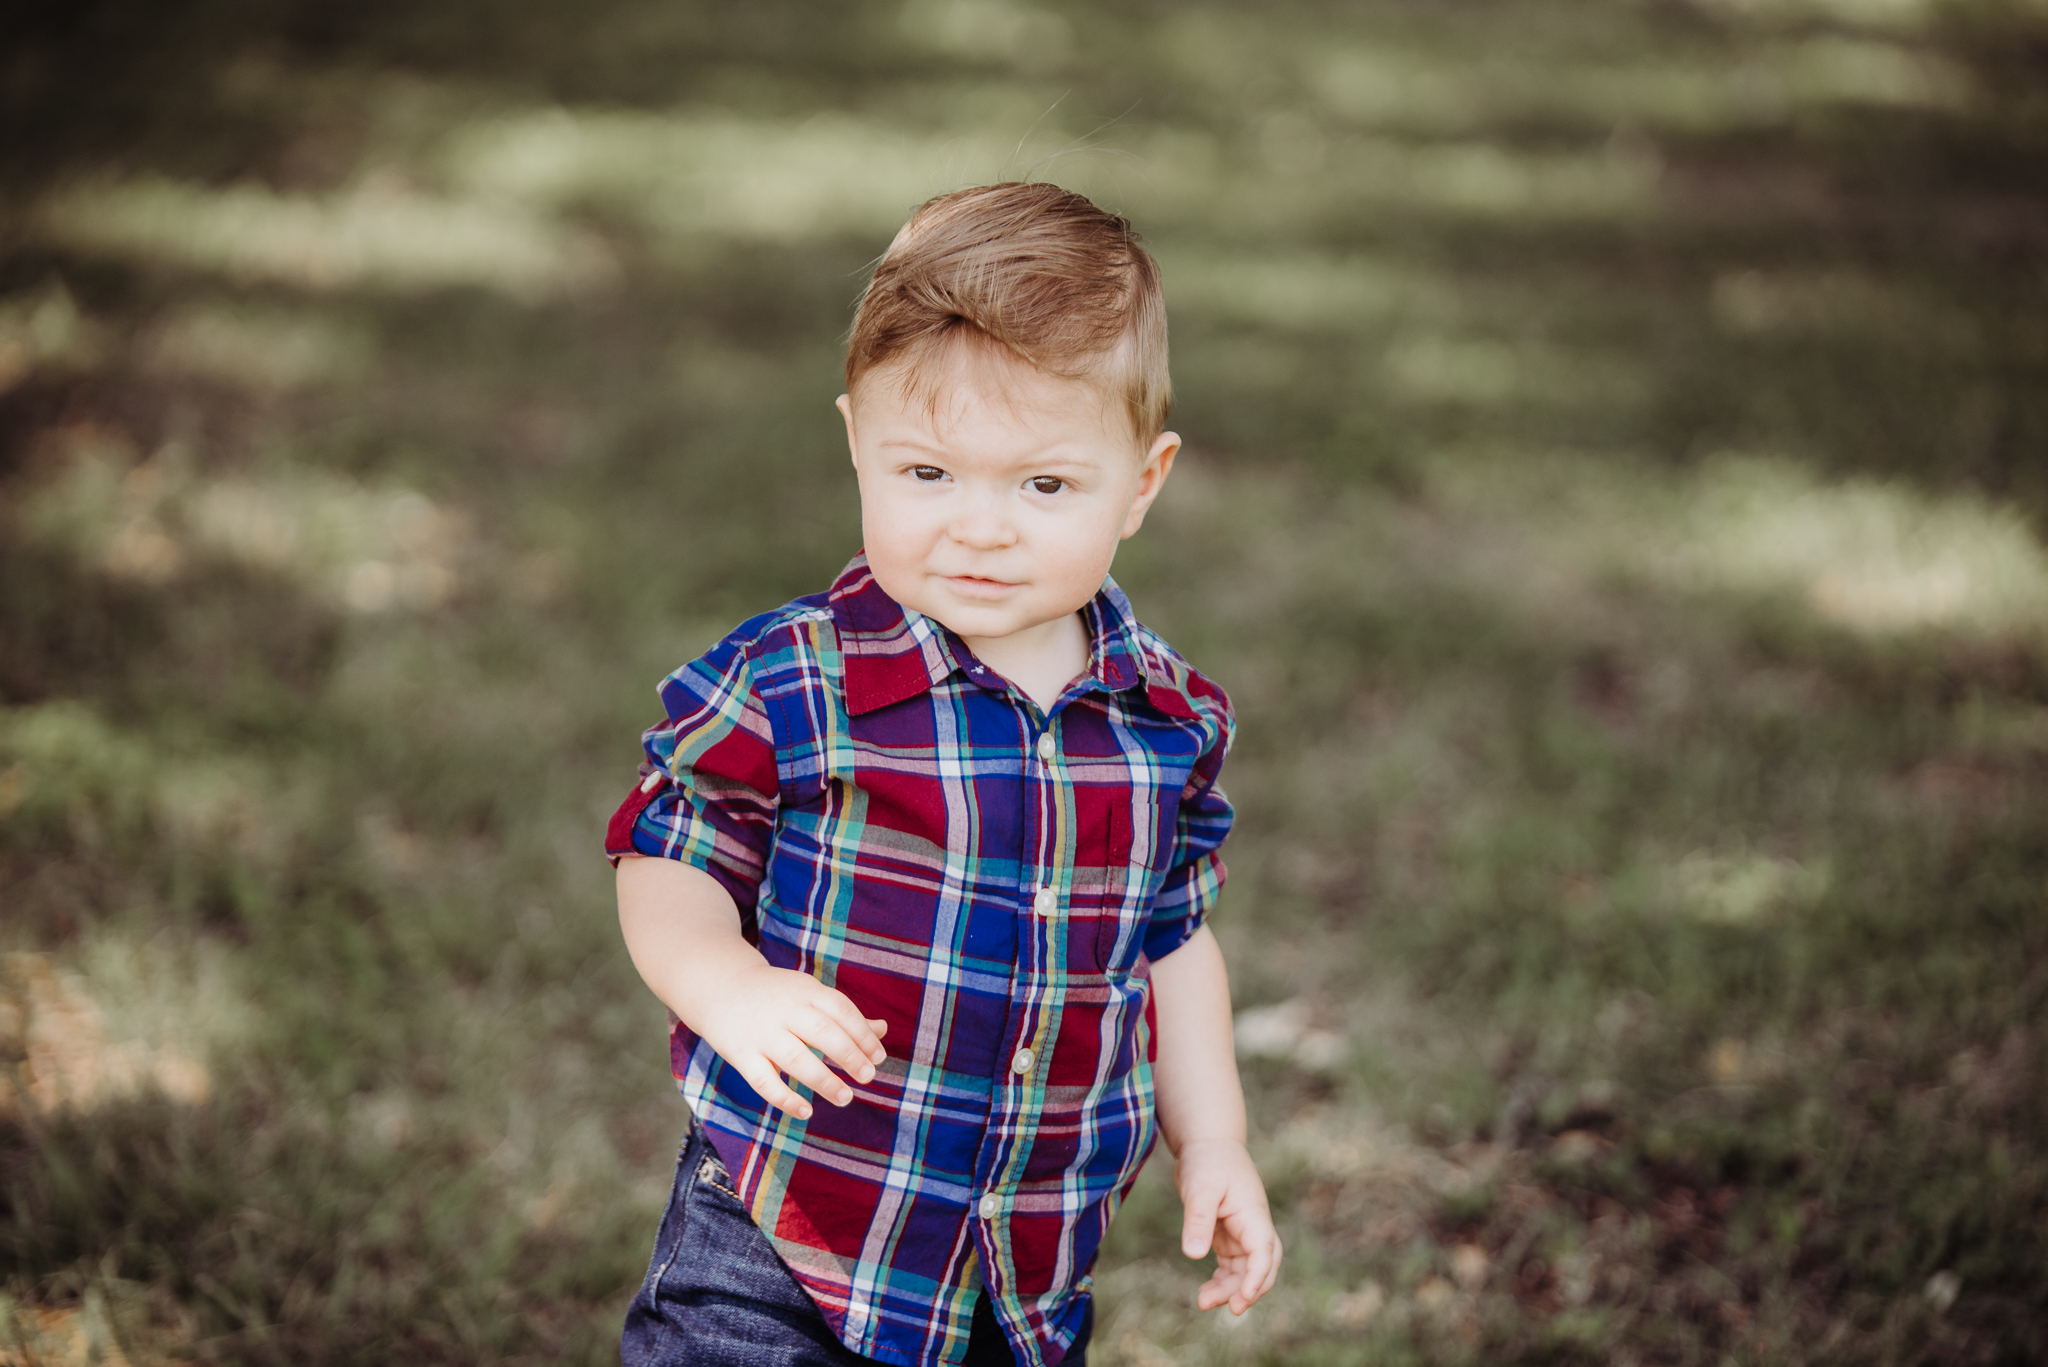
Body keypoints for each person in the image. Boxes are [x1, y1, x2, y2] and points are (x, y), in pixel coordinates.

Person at [607, 181, 1279, 1367]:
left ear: (1143, 482)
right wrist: (727, 985)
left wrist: (1213, 1137)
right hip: (785, 1223)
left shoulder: (1163, 720)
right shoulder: (793, 679)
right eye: (926, 474)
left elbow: (1170, 940)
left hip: (1019, 1266)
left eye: (1043, 485)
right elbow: (671, 852)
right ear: (856, 441)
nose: (980, 526)